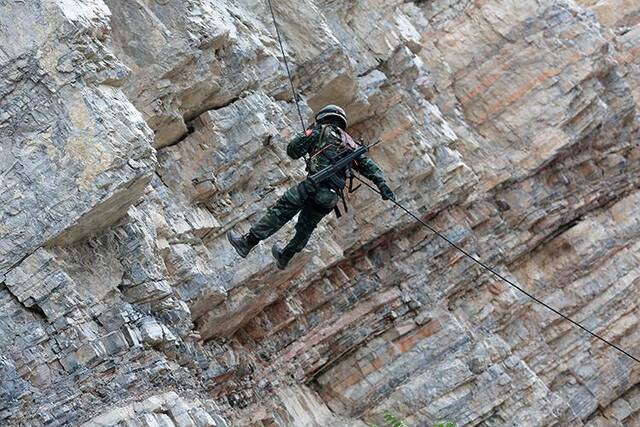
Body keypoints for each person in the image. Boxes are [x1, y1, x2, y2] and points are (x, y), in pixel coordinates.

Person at [227, 105, 395, 269]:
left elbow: (292, 151)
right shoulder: (352, 145)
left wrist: (306, 134)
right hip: (330, 197)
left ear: (323, 117)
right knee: (306, 228)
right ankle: (285, 256)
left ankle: (247, 243)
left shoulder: (320, 130)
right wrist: (383, 186)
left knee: (281, 210)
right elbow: (370, 168)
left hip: (313, 185)